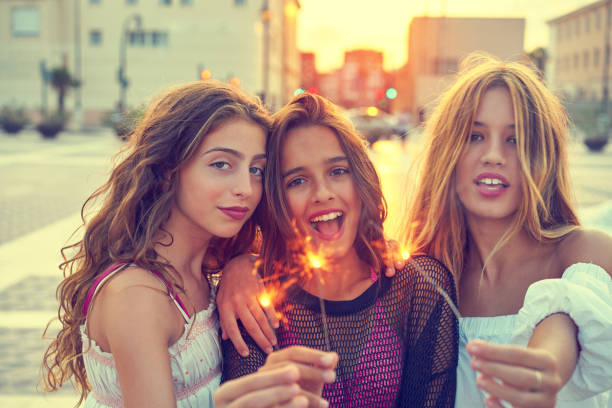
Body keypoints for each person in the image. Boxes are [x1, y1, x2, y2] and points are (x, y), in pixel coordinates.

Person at [218, 93, 459, 407]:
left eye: (337, 171)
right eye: (298, 181)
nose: (322, 193)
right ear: (276, 201)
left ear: (361, 180)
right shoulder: (255, 301)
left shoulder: (418, 286)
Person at [41, 80, 273, 407]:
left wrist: (243, 264)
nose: (246, 188)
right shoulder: (138, 296)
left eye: (257, 170)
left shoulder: (206, 269)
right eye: (221, 164)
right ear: (167, 170)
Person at [400, 53, 612, 407]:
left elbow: (562, 317)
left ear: (542, 155)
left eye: (514, 139)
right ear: (446, 151)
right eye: (475, 136)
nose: (494, 155)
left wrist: (545, 371)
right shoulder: (420, 280)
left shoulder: (584, 252)